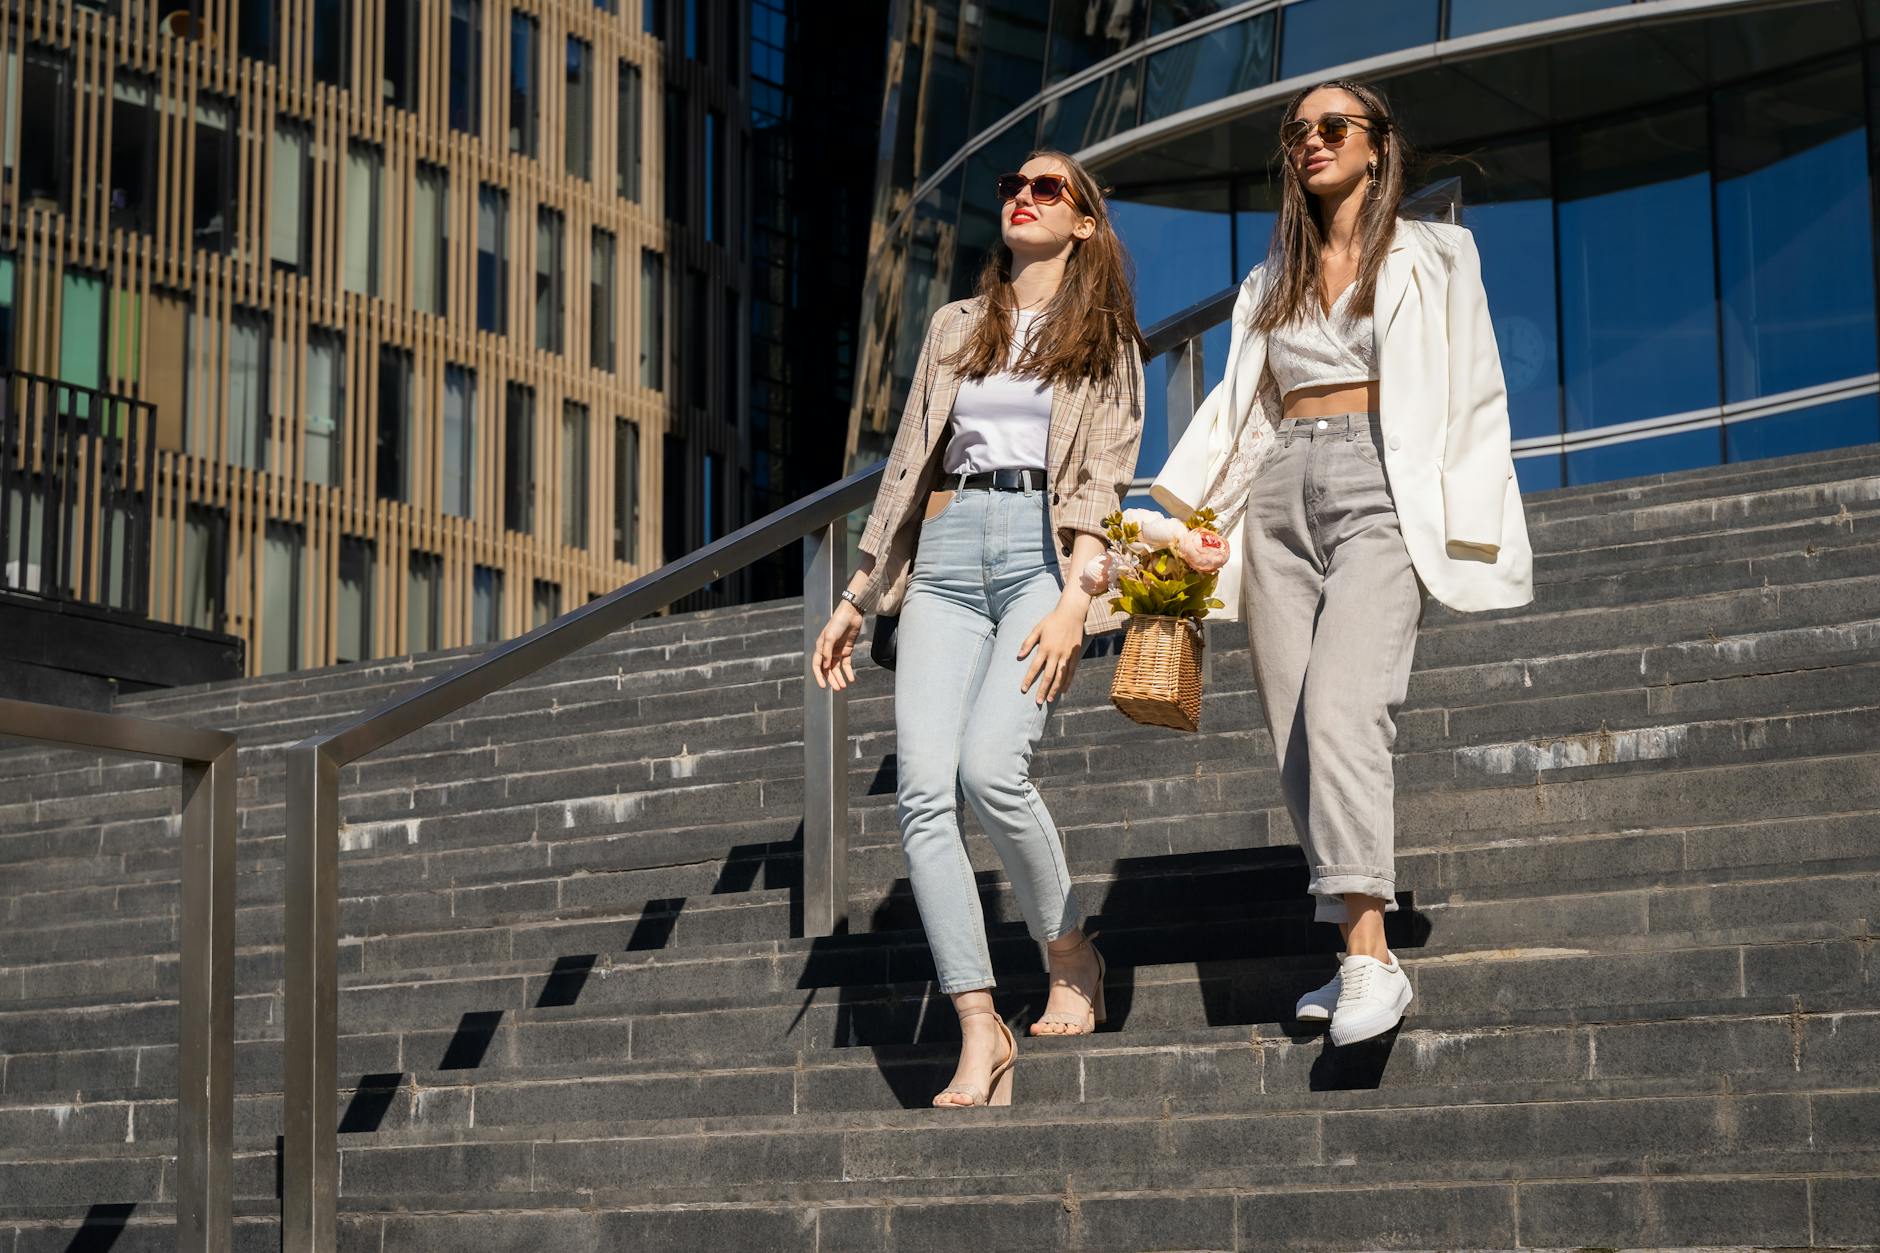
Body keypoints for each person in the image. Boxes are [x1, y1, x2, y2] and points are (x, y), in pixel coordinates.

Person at [1153, 79, 1534, 1046]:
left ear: (1377, 145)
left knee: (1342, 706)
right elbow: (1250, 412)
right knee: (1293, 730)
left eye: (1332, 127)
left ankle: (1369, 957)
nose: (1311, 142)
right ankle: (1358, 949)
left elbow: (1476, 397)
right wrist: (1209, 518)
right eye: (1296, 133)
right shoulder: (1271, 275)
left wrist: (1467, 513)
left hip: (1381, 485)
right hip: (1281, 491)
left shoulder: (1438, 256)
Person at [812, 150, 1145, 1106]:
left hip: (1042, 557)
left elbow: (1099, 489)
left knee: (991, 765)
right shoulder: (958, 324)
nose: (1023, 200)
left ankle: (1071, 950)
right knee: (923, 791)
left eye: (1047, 190)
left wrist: (1080, 602)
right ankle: (977, 1023)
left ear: (1084, 221)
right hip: (947, 560)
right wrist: (855, 594)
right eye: (1013, 187)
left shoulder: (1107, 341)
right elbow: (908, 465)